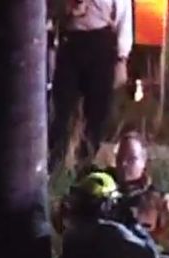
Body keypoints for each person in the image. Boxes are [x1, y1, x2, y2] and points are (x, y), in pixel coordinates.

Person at [57, 171, 160, 258]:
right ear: (106, 205)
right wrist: (133, 223)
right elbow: (152, 254)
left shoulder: (72, 232)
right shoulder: (111, 233)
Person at [48, 0, 133, 173]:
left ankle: (86, 166)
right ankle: (54, 164)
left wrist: (122, 58)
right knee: (62, 110)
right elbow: (50, 13)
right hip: (71, 42)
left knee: (97, 113)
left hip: (101, 43)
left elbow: (124, 17)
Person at [114, 131, 169, 251]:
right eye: (120, 158)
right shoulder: (100, 195)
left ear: (144, 161)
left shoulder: (162, 203)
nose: (124, 164)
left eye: (132, 159)